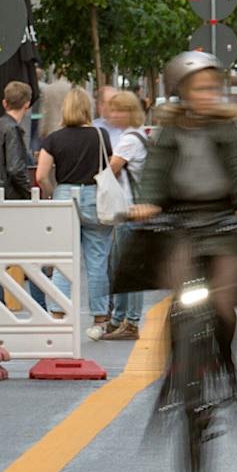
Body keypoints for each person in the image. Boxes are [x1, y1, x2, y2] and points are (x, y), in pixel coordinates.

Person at [129, 53, 237, 369]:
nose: (207, 95)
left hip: (225, 221)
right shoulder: (169, 129)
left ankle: (225, 360)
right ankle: (178, 368)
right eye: (199, 89)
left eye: (212, 88)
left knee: (223, 300)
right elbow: (155, 170)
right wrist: (147, 203)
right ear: (182, 91)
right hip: (181, 222)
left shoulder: (226, 127)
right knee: (181, 297)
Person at [36, 85, 110, 340]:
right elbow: (108, 168)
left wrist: (53, 191)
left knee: (63, 260)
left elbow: (41, 175)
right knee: (97, 260)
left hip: (65, 195)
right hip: (94, 197)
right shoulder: (100, 135)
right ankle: (99, 321)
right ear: (88, 108)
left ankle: (58, 315)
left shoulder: (54, 138)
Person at [101, 89, 151, 341]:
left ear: (129, 112)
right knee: (120, 267)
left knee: (129, 270)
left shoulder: (129, 140)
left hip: (131, 209)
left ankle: (130, 321)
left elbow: (111, 169)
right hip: (131, 209)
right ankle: (119, 319)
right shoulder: (137, 135)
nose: (112, 115)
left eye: (117, 110)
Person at [0, 81, 35, 201]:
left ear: (4, 103)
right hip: (10, 196)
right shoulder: (13, 129)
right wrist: (29, 192)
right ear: (27, 104)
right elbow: (15, 168)